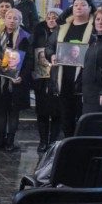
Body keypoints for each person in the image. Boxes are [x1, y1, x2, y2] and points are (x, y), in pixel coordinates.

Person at [46, 0, 95, 138]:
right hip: (63, 79)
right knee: (66, 119)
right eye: (76, 5)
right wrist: (52, 55)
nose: (79, 7)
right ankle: (69, 146)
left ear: (90, 8)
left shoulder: (94, 27)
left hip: (84, 80)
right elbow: (49, 46)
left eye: (83, 5)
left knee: (82, 119)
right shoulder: (62, 27)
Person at [0, 9, 32, 152]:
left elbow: (29, 60)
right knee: (1, 110)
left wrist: (22, 76)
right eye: (9, 17)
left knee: (13, 111)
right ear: (5, 19)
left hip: (17, 80)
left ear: (20, 21)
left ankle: (10, 140)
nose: (12, 20)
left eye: (15, 18)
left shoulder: (25, 37)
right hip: (0, 79)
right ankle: (1, 138)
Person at [32, 8, 61, 151]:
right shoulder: (38, 31)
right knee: (41, 110)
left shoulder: (63, 33)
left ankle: (53, 141)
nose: (51, 20)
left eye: (55, 17)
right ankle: (43, 140)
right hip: (40, 76)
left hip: (57, 77)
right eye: (48, 17)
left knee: (56, 111)